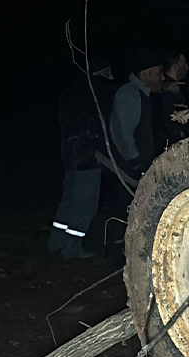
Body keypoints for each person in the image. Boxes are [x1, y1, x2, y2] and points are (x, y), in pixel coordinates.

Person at [48, 55, 117, 259]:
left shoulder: (72, 91)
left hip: (71, 156)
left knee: (69, 200)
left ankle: (56, 243)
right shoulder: (96, 92)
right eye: (108, 72)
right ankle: (71, 248)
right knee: (84, 205)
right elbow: (95, 126)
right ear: (101, 72)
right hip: (88, 158)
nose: (111, 76)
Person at [108, 48, 167, 181]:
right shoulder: (129, 94)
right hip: (131, 174)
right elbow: (122, 133)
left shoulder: (144, 94)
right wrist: (136, 164)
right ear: (146, 75)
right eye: (159, 72)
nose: (163, 77)